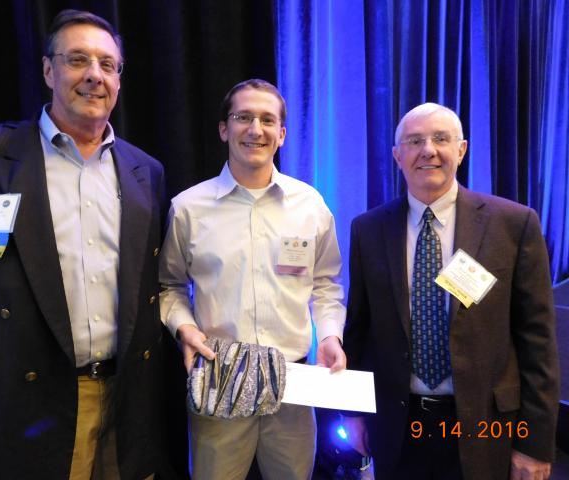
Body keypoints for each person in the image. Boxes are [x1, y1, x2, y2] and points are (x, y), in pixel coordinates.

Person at [0, 9, 165, 480]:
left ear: (119, 79)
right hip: (24, 403)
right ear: (48, 70)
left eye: (108, 64)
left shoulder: (146, 173)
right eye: (78, 60)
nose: (94, 76)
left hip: (124, 403)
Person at [343, 102, 559, 479]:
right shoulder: (368, 230)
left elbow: (537, 342)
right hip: (398, 424)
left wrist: (535, 442)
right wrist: (353, 412)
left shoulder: (513, 224)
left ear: (461, 150)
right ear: (398, 156)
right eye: (414, 141)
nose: (428, 149)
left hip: (486, 425)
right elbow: (359, 332)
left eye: (441, 139)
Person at [159, 78, 346, 480]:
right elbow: (169, 286)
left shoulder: (310, 205)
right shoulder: (188, 208)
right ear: (224, 128)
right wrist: (184, 328)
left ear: (281, 134)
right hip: (219, 381)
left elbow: (327, 283)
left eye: (267, 120)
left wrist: (330, 336)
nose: (254, 129)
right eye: (243, 117)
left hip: (293, 384)